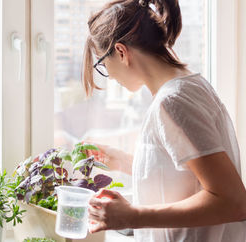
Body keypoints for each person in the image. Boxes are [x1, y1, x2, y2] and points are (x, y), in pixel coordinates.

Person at [82, 0, 246, 241]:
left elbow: (232, 201)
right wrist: (123, 161)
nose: (110, 76)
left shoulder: (173, 102)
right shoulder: (189, 87)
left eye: (103, 64)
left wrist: (132, 216)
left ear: (120, 52)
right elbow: (187, 176)